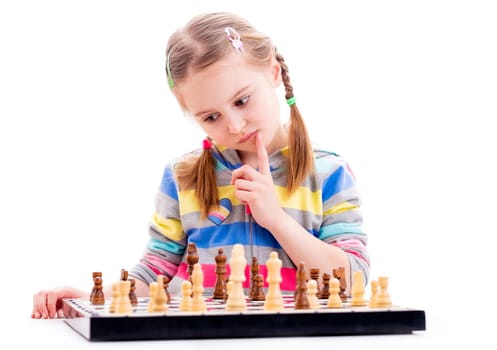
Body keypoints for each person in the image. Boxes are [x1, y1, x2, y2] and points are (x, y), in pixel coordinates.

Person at [32, 12, 369, 319]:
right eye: (211, 116)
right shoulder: (183, 177)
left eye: (241, 100)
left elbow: (352, 281)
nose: (235, 125)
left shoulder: (329, 174)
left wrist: (276, 218)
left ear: (274, 73)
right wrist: (91, 299)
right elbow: (155, 272)